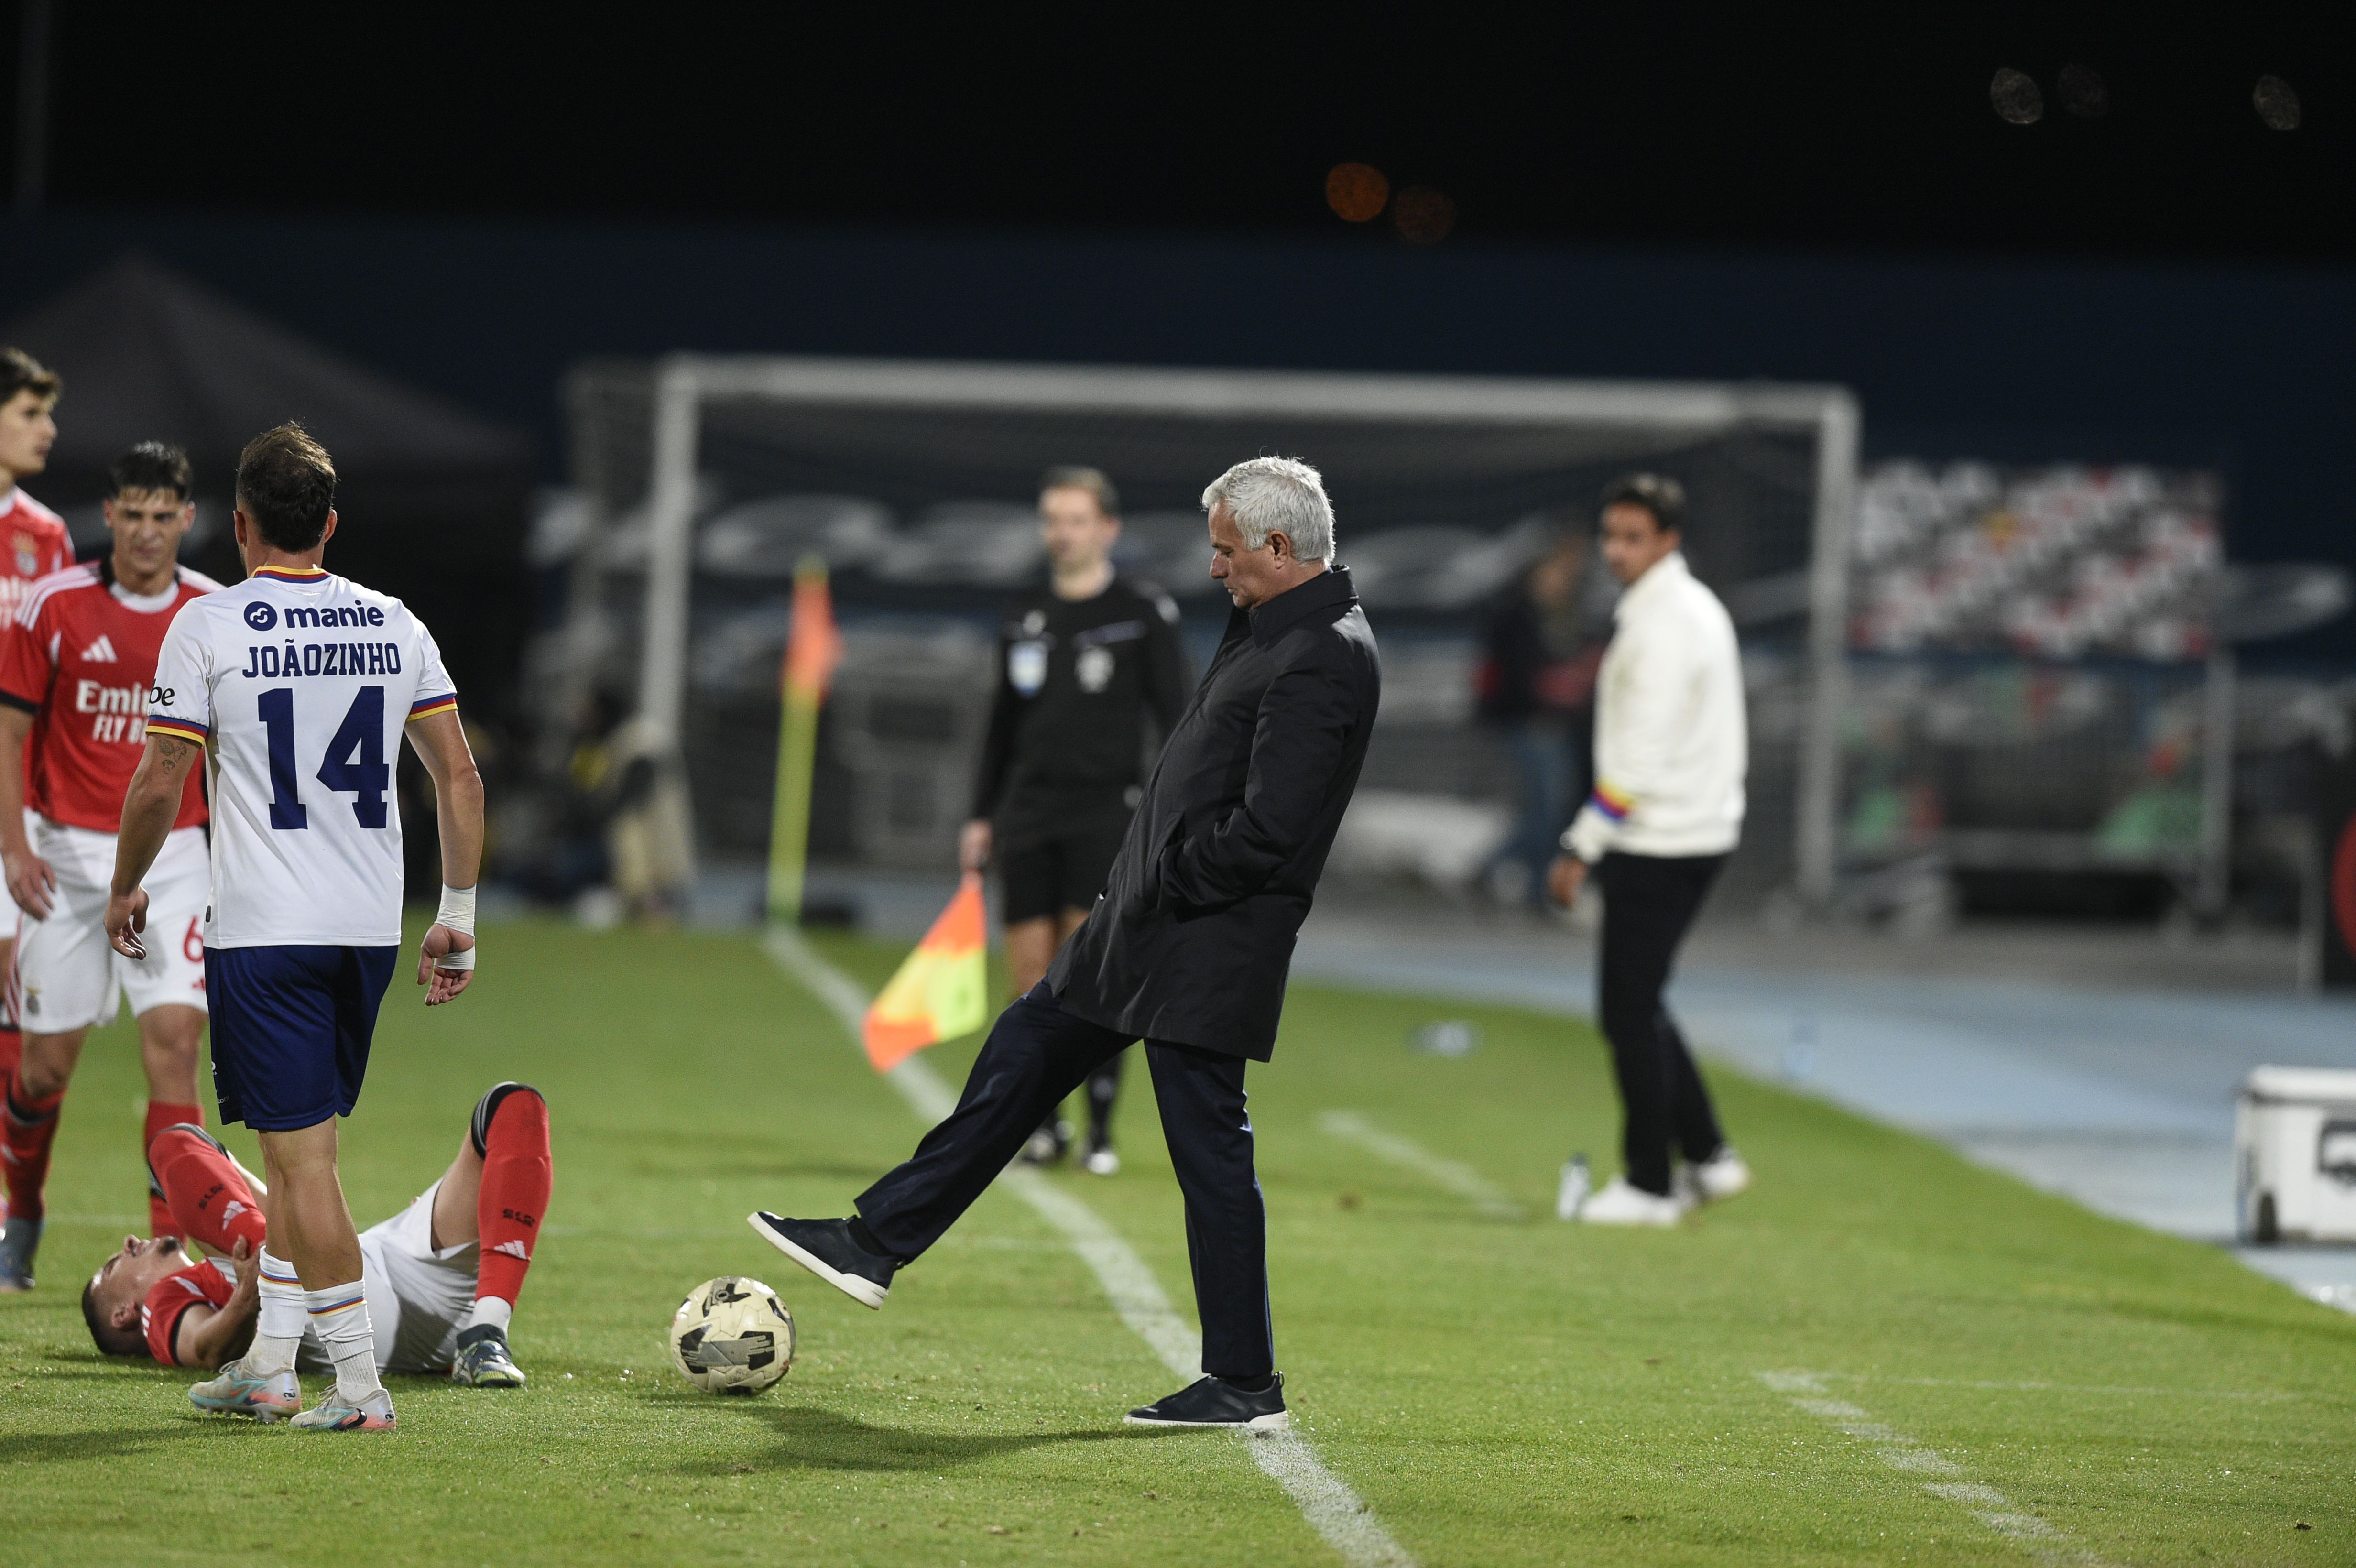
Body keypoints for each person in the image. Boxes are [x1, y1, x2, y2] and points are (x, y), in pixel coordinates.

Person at [752, 456, 1379, 1431]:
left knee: (1209, 1148)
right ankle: (875, 1240)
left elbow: (1273, 827)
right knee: (1024, 1044)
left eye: (1224, 550)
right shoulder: (1276, 625)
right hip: (1146, 922)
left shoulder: (1325, 651)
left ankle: (1244, 1380)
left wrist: (1171, 876)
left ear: (1278, 546)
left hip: (1204, 937)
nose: (1213, 569)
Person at [104, 422, 487, 1433]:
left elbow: (160, 775)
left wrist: (125, 884)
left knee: (304, 1164)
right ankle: (269, 1364)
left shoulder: (211, 625)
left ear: (238, 525)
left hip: (267, 930)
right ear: (328, 522)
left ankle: (357, 1387)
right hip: (365, 929)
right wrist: (457, 916)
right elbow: (458, 774)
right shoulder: (394, 622)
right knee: (290, 1156)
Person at [0, 444, 219, 1290]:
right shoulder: (56, 605)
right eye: (133, 513)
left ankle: (171, 1253)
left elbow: (228, 751)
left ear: (187, 521)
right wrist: (16, 846)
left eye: (164, 516)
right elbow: (12, 730)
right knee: (42, 1070)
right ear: (112, 515)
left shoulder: (210, 612)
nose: (147, 532)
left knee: (173, 1045)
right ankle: (22, 1209)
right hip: (63, 861)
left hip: (172, 863)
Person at [960, 466, 1189, 1174]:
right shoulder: (1024, 613)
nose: (1063, 533)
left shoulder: (1141, 611)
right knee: (1028, 971)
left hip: (1105, 811)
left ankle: (1100, 1130)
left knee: (1089, 968)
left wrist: (1170, 813)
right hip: (1029, 810)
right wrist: (980, 811)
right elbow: (1000, 724)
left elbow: (1178, 719)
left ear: (1108, 529)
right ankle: (1045, 1126)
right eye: (1053, 519)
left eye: (1077, 520)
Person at [1546, 474, 1752, 1226]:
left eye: (1634, 537)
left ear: (1669, 539)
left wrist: (1581, 844)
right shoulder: (1692, 609)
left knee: (1627, 1009)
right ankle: (1708, 1154)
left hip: (1661, 838)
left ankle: (1648, 1183)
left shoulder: (1665, 623)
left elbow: (1637, 757)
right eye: (1611, 536)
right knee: (1643, 1001)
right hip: (1698, 829)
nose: (1617, 551)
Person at [78, 1084, 550, 1397]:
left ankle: (485, 1335)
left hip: (386, 1262)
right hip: (342, 1309)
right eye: (112, 1265)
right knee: (169, 1144)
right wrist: (245, 1301)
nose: (129, 1241)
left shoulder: (219, 1250)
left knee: (513, 1105)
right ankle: (280, 1263)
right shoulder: (162, 1303)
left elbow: (223, 1165)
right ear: (122, 1314)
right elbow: (203, 1350)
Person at [0, 349, 74, 1214]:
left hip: (20, 799)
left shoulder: (46, 535)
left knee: (20, 1015)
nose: (48, 429)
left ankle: (21, 1208)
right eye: (29, 412)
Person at [1476, 522, 1606, 906]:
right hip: (1527, 722)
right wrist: (1559, 683)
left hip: (1559, 726)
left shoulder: (1567, 614)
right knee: (1549, 808)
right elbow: (1517, 677)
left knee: (1553, 809)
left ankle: (1508, 876)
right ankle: (1523, 882)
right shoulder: (1517, 614)